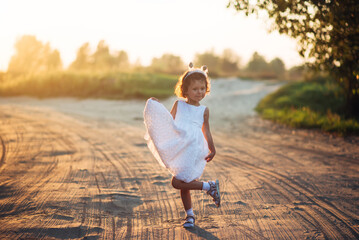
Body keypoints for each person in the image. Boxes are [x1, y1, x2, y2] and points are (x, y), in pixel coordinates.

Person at [143, 62, 220, 228]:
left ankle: (209, 186)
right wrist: (156, 107)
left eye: (202, 88)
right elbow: (168, 122)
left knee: (177, 182)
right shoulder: (179, 105)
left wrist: (212, 148)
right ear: (185, 90)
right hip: (180, 146)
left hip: (193, 147)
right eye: (195, 89)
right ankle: (190, 216)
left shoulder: (204, 110)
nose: (199, 92)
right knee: (184, 185)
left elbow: (206, 130)